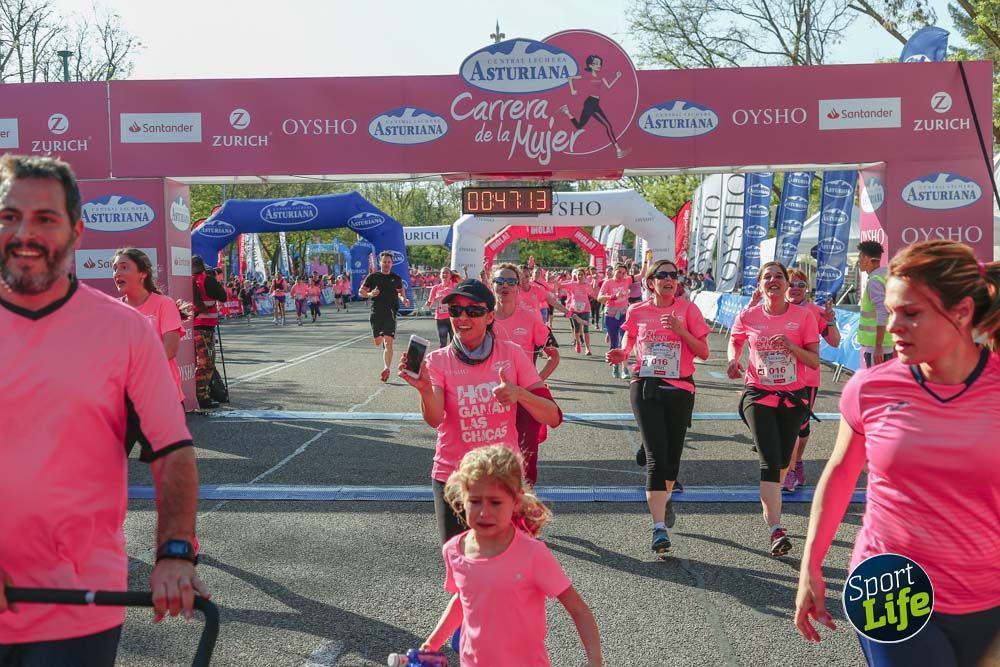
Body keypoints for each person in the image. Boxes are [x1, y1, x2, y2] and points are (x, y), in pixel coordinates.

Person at [0, 154, 208, 664]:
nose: (25, 232)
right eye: (9, 217)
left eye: (45, 219)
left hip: (78, 605)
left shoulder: (125, 331)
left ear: (75, 231)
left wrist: (175, 551)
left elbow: (171, 449)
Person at [795, 240, 1000, 666]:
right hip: (891, 589)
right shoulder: (870, 387)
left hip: (989, 594)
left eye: (911, 314)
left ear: (961, 312)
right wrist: (811, 562)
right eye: (890, 312)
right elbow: (840, 471)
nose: (893, 327)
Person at [397, 279, 561, 544]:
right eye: (455, 310)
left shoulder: (512, 354)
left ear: (489, 316)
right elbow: (435, 418)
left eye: (473, 311)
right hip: (453, 475)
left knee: (504, 566)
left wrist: (519, 394)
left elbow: (552, 416)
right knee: (460, 563)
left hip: (502, 477)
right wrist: (425, 389)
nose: (462, 317)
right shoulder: (437, 361)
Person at [421, 446, 603, 667]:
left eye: (495, 502)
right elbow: (464, 599)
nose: (483, 512)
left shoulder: (532, 554)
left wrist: (595, 660)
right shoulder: (454, 550)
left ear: (516, 502)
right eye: (475, 501)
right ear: (462, 499)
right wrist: (431, 645)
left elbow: (578, 608)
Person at [606, 259, 710, 554]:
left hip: (680, 388)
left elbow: (703, 352)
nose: (668, 279)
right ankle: (658, 528)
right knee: (656, 458)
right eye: (662, 275)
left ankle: (664, 490)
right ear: (650, 282)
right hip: (645, 385)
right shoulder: (637, 310)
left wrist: (681, 330)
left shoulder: (688, 310)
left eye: (673, 275)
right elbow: (629, 339)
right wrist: (621, 352)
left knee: (671, 461)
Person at [727, 261, 820, 556]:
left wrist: (792, 347)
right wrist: (733, 359)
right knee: (770, 462)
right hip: (758, 394)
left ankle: (772, 503)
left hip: (792, 398)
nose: (774, 280)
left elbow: (815, 361)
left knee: (782, 464)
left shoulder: (803, 317)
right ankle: (776, 529)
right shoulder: (749, 315)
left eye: (779, 276)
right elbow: (735, 338)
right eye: (767, 276)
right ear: (760, 284)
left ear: (788, 284)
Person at [491, 264, 561, 485]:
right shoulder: (483, 318)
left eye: (511, 282)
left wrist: (536, 381)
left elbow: (554, 355)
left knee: (525, 455)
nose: (505, 286)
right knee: (493, 455)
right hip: (491, 397)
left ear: (518, 287)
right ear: (491, 285)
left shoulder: (530, 318)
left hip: (524, 396)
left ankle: (524, 503)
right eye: (499, 282)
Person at [782, 269, 840, 493]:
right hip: (777, 378)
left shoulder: (816, 312)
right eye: (792, 284)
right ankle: (786, 470)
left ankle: (796, 463)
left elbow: (834, 342)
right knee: (786, 426)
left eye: (801, 285)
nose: (795, 288)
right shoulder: (776, 308)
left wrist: (831, 321)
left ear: (806, 289)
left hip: (807, 378)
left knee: (800, 428)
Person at [113, 247, 189, 407]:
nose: (117, 273)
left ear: (143, 273)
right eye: (115, 268)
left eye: (124, 267)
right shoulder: (114, 310)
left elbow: (169, 350)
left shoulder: (164, 304)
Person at [559, 53, 628, 160]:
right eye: (596, 63)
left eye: (600, 63)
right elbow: (570, 78)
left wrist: (617, 77)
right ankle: (618, 150)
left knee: (579, 126)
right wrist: (572, 90)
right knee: (608, 125)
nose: (599, 65)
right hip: (590, 103)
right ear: (590, 65)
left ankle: (567, 111)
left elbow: (608, 87)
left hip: (594, 103)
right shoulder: (587, 75)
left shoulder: (601, 76)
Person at [360, 251, 410, 382]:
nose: (387, 264)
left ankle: (386, 368)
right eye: (384, 262)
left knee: (388, 342)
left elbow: (400, 291)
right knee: (378, 341)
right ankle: (382, 337)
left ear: (392, 264)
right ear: (380, 263)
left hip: (391, 312)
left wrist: (404, 299)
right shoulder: (373, 277)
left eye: (389, 262)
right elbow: (361, 292)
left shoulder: (396, 278)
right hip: (376, 312)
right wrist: (370, 294)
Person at [191, 254, 227, 410]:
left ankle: (195, 393)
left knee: (194, 363)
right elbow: (223, 297)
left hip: (189, 327)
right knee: (206, 364)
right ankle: (202, 397)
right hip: (205, 328)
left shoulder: (187, 280)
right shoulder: (207, 280)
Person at [857, 240, 893, 367]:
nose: (858, 261)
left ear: (866, 258)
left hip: (877, 348)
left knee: (877, 386)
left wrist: (878, 346)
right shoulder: (886, 276)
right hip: (887, 344)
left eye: (860, 257)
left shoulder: (875, 281)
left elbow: (882, 313)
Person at [598, 263, 636, 378]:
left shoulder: (627, 280)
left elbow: (642, 274)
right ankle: (615, 366)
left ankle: (625, 369)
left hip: (624, 315)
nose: (621, 275)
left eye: (624, 273)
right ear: (614, 271)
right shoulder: (608, 282)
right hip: (611, 316)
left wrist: (647, 261)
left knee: (624, 343)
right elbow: (599, 298)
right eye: (619, 272)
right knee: (614, 343)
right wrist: (613, 296)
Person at [564, 267, 596, 355]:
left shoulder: (587, 285)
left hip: (585, 309)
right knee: (577, 329)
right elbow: (560, 285)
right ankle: (577, 342)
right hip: (574, 310)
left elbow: (593, 293)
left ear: (585, 276)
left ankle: (587, 348)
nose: (580, 276)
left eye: (582, 275)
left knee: (586, 329)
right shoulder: (572, 284)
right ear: (576, 276)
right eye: (578, 275)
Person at [425, 267, 456, 348]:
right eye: (443, 273)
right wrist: (430, 302)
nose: (445, 274)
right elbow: (429, 303)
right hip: (441, 318)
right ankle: (443, 359)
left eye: (447, 273)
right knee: (443, 343)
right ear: (440, 275)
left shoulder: (454, 286)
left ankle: (454, 359)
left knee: (455, 342)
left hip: (452, 317)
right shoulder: (435, 288)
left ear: (450, 275)